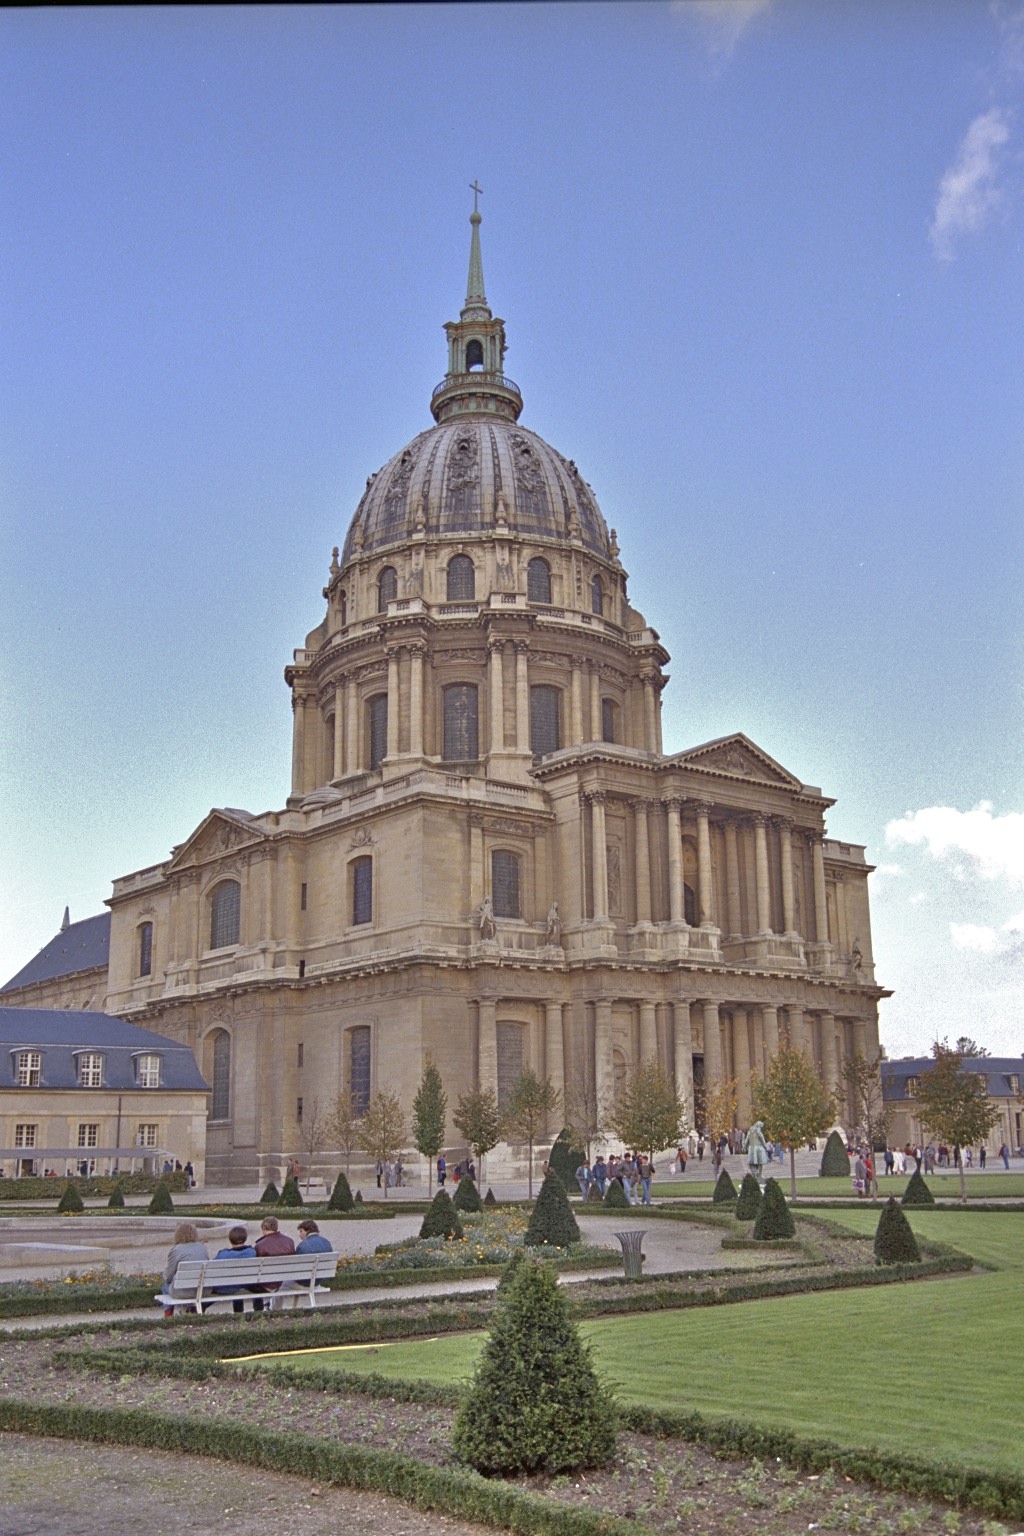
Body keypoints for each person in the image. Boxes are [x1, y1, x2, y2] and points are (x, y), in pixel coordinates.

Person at [161, 1221, 209, 1314]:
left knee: (165, 1286)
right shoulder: (202, 1248)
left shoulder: (176, 1250)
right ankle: (193, 1309)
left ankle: (168, 1315)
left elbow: (169, 1277)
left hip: (183, 1292)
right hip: (203, 1290)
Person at [212, 1224, 259, 1313]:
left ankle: (238, 1313)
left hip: (228, 1287)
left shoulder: (223, 1255)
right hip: (247, 1284)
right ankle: (259, 1310)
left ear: (230, 1239)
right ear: (245, 1238)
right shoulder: (252, 1252)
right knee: (241, 1282)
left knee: (235, 1283)